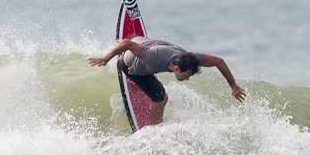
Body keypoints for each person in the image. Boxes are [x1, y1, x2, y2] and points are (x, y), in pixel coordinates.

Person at [88, 37, 246, 125]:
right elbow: (128, 45)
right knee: (161, 98)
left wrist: (233, 85)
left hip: (143, 42)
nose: (188, 78)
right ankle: (153, 130)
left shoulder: (190, 58)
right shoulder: (154, 56)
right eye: (186, 75)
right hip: (131, 67)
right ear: (176, 68)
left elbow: (219, 61)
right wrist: (105, 58)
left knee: (141, 49)